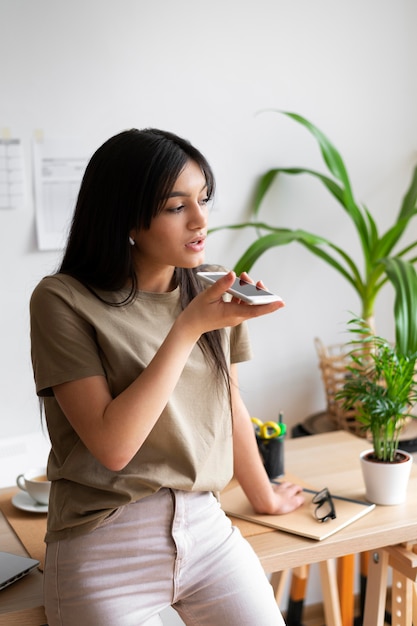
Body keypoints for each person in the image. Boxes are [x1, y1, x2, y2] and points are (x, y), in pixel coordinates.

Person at [30, 128, 304, 626]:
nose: (200, 220)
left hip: (206, 526)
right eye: (177, 207)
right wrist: (187, 328)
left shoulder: (209, 287)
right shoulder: (62, 300)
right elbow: (113, 447)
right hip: (105, 540)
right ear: (127, 219)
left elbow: (229, 403)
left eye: (203, 199)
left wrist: (263, 495)